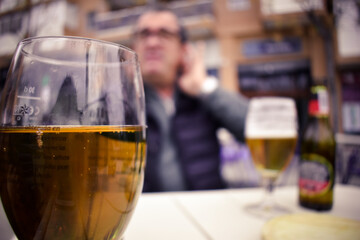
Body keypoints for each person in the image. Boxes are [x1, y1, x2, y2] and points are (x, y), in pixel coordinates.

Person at [132, 5, 248, 192]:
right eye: (144, 34)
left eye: (164, 34)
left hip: (206, 208)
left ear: (183, 50)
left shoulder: (202, 98)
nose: (152, 43)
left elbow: (254, 130)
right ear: (134, 48)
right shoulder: (121, 104)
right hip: (145, 213)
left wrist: (204, 86)